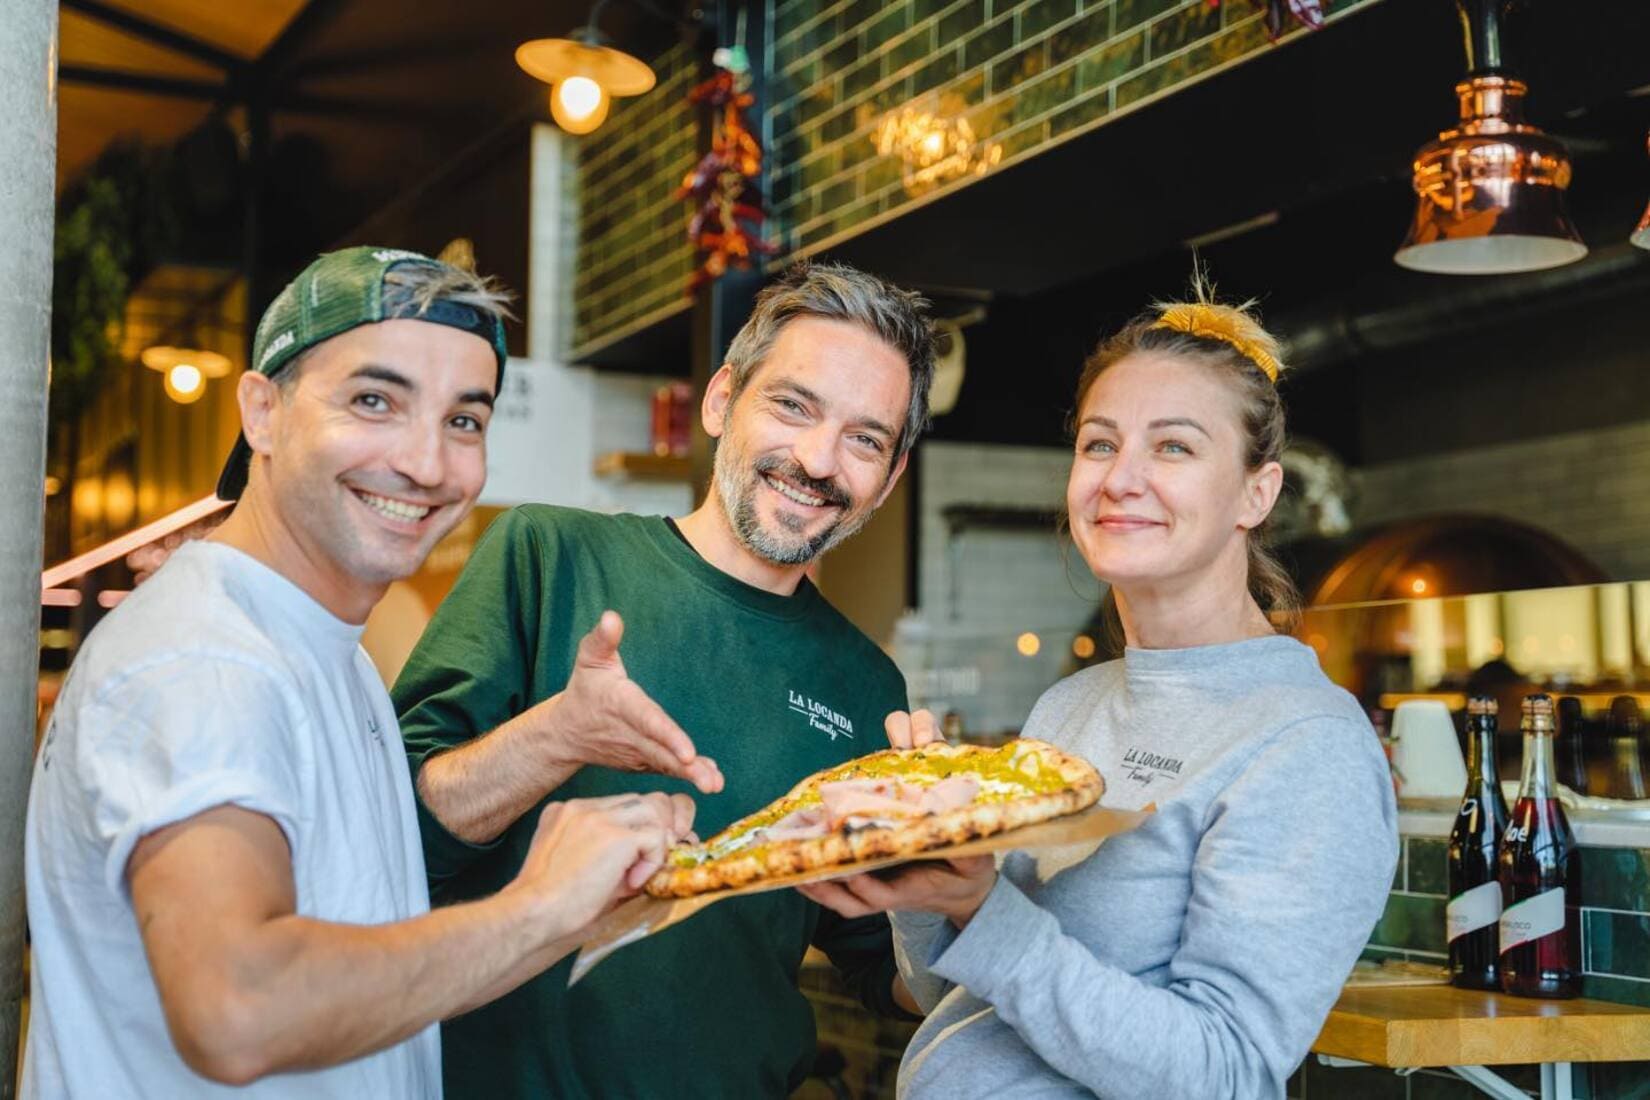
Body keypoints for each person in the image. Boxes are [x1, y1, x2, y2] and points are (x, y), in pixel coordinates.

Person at [23, 247, 692, 1098]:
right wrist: (541, 905)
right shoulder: (208, 658)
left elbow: (371, 967)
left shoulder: (326, 653)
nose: (425, 462)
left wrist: (577, 909)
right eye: (374, 401)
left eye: (464, 421)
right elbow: (239, 1007)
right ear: (262, 412)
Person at [801, 287, 1399, 1098]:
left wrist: (983, 910)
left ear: (1257, 493)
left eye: (1174, 448)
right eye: (1099, 444)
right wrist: (924, 864)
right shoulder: (1073, 705)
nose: (1122, 479)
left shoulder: (1306, 744)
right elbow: (958, 998)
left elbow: (1220, 1071)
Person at [392, 260, 938, 1097]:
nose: (818, 459)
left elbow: (883, 975)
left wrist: (953, 873)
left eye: (865, 439)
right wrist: (555, 737)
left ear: (891, 476)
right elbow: (391, 840)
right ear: (722, 402)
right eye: (793, 406)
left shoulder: (868, 685)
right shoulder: (546, 554)